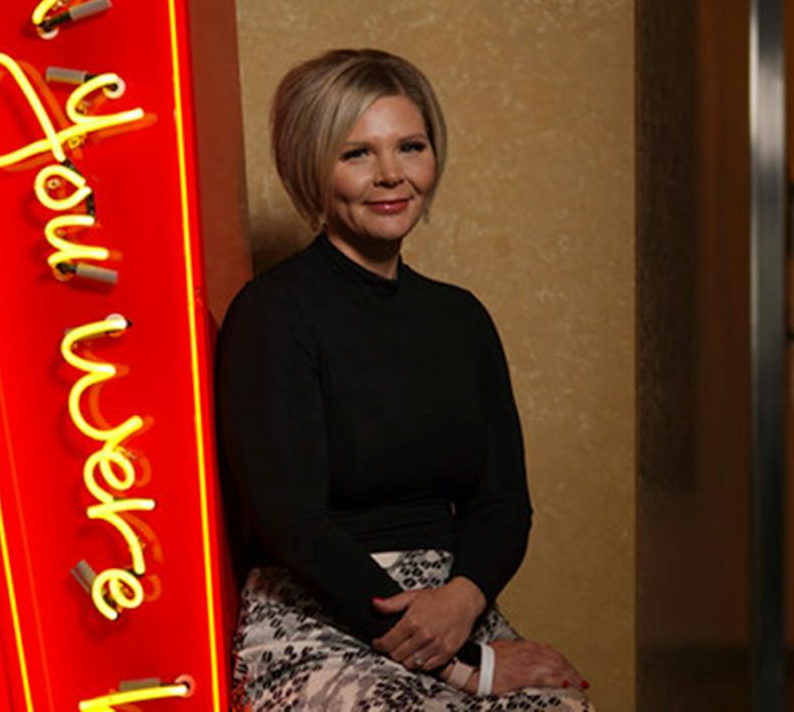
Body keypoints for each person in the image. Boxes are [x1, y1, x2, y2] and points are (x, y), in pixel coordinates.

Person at [216, 49, 592, 711]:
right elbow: (291, 523)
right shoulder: (273, 313)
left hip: (452, 605)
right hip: (317, 615)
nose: (391, 175)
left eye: (409, 146)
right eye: (356, 153)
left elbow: (503, 504)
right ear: (313, 165)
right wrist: (463, 668)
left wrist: (465, 601)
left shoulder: (462, 318)